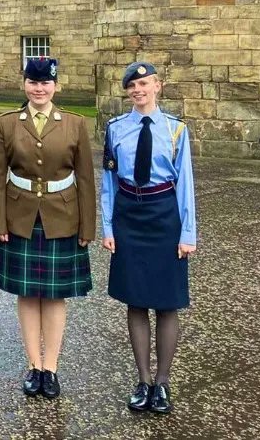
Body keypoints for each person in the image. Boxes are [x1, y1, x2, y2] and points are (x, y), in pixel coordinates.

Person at [0, 58, 95, 399]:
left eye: (45, 82)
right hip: (20, 217)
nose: (39, 88)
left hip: (62, 216)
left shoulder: (75, 123)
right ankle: (34, 365)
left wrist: (87, 227)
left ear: (55, 85)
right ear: (24, 85)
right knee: (28, 293)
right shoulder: (6, 123)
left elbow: (87, 181)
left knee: (54, 295)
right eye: (33, 82)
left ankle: (52, 368)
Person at [102, 62, 197, 415]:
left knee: (167, 302)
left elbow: (185, 183)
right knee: (136, 301)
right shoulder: (114, 130)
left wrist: (188, 233)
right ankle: (143, 380)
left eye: (144, 83)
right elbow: (108, 184)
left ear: (157, 86)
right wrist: (108, 228)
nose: (138, 90)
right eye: (132, 85)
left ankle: (163, 383)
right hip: (129, 214)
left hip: (163, 215)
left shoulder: (176, 130)